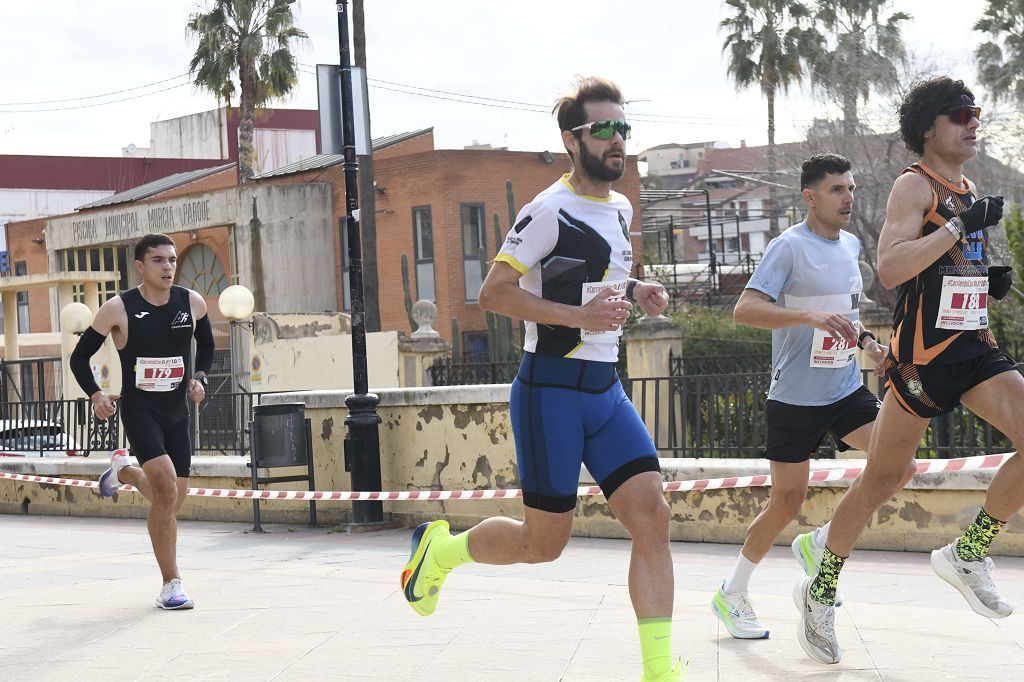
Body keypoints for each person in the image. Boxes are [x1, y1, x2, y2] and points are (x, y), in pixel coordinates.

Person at [399, 76, 681, 681]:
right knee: (544, 542)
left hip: (605, 390)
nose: (618, 141)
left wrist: (636, 289)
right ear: (570, 140)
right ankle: (441, 553)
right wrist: (580, 318)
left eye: (624, 129)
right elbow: (494, 292)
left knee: (653, 518)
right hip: (549, 391)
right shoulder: (546, 210)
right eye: (603, 129)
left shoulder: (621, 206)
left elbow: (597, 272)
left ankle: (658, 671)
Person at [795, 77, 1022, 665]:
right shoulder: (912, 185)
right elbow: (891, 268)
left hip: (970, 348)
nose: (973, 122)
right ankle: (818, 591)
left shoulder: (966, 186)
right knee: (882, 480)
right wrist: (955, 228)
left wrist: (981, 281)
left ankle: (968, 554)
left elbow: (943, 268)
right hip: (922, 361)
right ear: (928, 127)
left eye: (976, 113)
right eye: (959, 114)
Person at [710, 153, 916, 640]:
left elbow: (846, 313)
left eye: (850, 188)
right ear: (810, 197)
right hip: (795, 398)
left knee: (900, 463)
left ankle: (822, 542)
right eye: (836, 190)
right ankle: (732, 592)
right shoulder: (789, 248)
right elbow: (745, 310)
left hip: (844, 388)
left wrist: (867, 343)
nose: (847, 198)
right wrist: (806, 317)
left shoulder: (849, 245)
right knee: (786, 502)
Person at [70, 233, 214, 610]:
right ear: (140, 266)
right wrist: (97, 393)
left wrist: (199, 378)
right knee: (165, 491)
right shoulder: (118, 308)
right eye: (158, 261)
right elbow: (78, 358)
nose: (168, 267)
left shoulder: (191, 302)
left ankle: (125, 473)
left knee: (172, 501)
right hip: (139, 408)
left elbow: (209, 345)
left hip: (177, 410)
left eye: (171, 260)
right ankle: (171, 584)